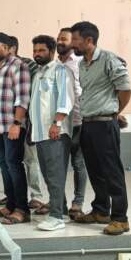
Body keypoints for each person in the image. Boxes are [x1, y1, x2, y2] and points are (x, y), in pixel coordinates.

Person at [70, 21, 131, 236]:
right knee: (95, 170)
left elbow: (125, 89)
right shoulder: (82, 64)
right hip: (87, 123)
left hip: (105, 124)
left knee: (112, 172)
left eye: (75, 39)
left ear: (89, 40)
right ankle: (101, 210)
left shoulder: (109, 59)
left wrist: (115, 112)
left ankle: (120, 218)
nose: (72, 44)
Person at [0, 32, 31, 225]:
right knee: (4, 166)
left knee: (14, 165)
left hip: (12, 126)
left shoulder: (18, 66)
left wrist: (17, 124)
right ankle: (10, 205)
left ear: (6, 47)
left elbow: (23, 98)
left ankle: (22, 209)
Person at [30, 35, 76, 231]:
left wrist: (57, 123)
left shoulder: (60, 70)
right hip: (40, 133)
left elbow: (66, 99)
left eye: (41, 50)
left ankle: (56, 217)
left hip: (55, 132)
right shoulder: (38, 73)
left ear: (51, 51)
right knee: (49, 175)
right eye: (35, 50)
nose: (37, 54)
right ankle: (62, 210)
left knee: (55, 175)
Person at [9, 36, 46, 212]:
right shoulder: (0, 67)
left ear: (13, 48)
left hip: (27, 120)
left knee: (31, 159)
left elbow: (31, 92)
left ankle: (37, 196)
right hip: (8, 122)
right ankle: (14, 195)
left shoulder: (28, 65)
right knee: (12, 161)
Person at [57, 27, 88, 220]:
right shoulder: (54, 66)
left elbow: (83, 90)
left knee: (79, 164)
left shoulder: (78, 63)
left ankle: (77, 203)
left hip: (78, 121)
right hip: (60, 124)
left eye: (64, 39)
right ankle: (59, 204)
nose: (60, 42)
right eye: (59, 38)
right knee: (58, 167)